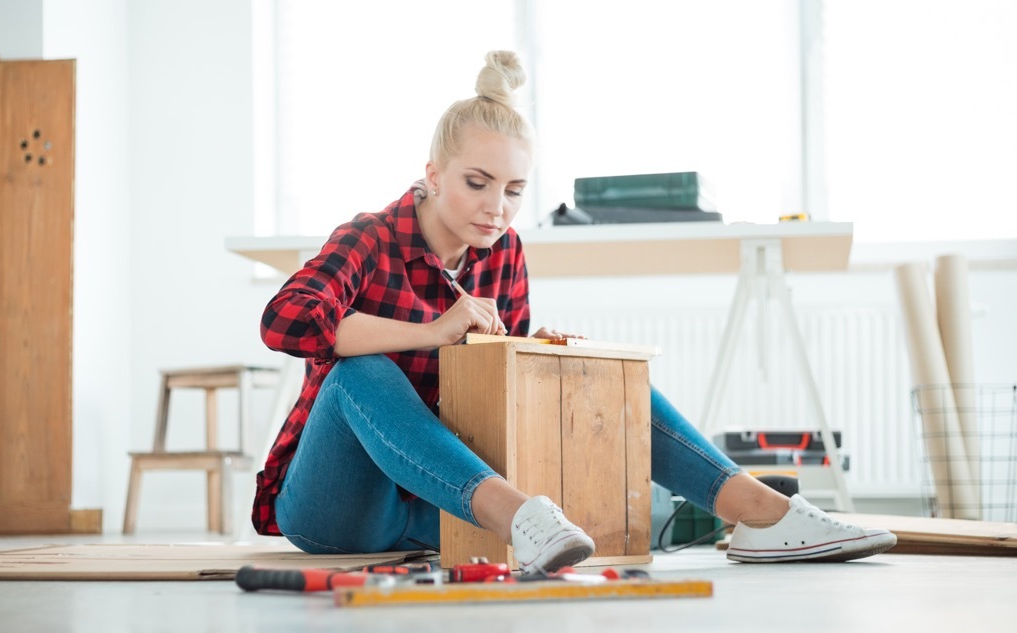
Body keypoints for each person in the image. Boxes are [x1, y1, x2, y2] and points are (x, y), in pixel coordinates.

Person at [253, 50, 896, 572]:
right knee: (359, 375)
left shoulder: (504, 253)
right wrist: (433, 330)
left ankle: (756, 512)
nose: (495, 207)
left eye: (512, 191)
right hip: (335, 509)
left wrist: (535, 359)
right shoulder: (369, 236)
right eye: (477, 183)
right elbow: (285, 320)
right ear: (433, 175)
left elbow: (492, 395)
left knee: (586, 367)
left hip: (433, 508)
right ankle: (523, 519)